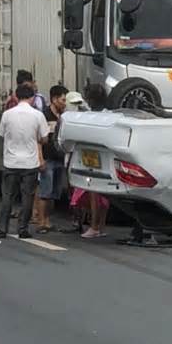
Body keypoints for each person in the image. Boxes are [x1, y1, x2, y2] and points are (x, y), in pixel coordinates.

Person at [0, 84, 49, 239]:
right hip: (30, 163)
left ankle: (2, 228)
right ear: (32, 98)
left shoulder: (7, 114)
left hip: (11, 162)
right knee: (27, 197)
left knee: (8, 196)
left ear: (17, 97)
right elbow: (44, 138)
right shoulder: (37, 116)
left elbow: (1, 134)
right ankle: (22, 229)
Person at [69, 84, 110, 239]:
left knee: (94, 194)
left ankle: (94, 226)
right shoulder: (109, 115)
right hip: (107, 158)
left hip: (92, 159)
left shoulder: (88, 117)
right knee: (105, 195)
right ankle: (101, 226)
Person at [36, 85, 68, 234]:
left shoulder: (64, 116)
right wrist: (40, 159)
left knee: (55, 193)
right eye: (63, 99)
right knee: (45, 192)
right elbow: (38, 139)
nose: (64, 103)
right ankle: (41, 222)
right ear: (54, 99)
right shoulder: (44, 115)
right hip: (47, 159)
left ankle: (48, 221)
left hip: (60, 159)